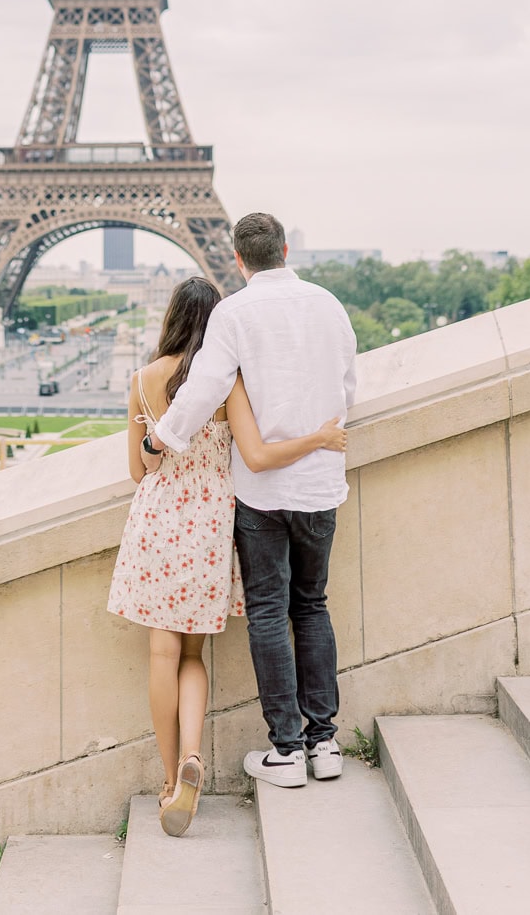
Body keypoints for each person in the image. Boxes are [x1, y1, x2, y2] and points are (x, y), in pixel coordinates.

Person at [108, 275, 347, 836]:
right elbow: (255, 453)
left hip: (158, 523)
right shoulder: (227, 384)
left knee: (161, 656)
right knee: (194, 657)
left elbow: (138, 470)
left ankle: (171, 781)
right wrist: (316, 439)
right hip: (214, 524)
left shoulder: (143, 382)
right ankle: (195, 751)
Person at [144, 212, 357, 789]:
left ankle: (285, 750)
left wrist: (159, 437)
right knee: (312, 605)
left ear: (238, 259)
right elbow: (348, 388)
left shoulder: (233, 313)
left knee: (268, 611)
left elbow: (204, 388)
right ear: (286, 249)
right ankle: (325, 743)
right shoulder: (329, 306)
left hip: (261, 492)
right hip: (319, 484)